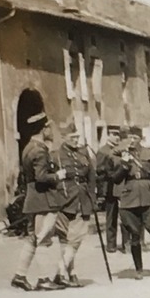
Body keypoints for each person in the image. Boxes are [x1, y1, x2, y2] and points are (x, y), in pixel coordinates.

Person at [10, 112, 68, 291]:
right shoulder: (40, 150)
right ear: (43, 129)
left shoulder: (28, 147)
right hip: (43, 201)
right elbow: (41, 176)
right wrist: (57, 176)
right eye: (49, 127)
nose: (52, 130)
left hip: (32, 199)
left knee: (32, 238)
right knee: (43, 239)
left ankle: (20, 275)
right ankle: (43, 279)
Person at [111, 126, 150, 281]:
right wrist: (124, 165)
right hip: (130, 197)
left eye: (135, 137)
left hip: (149, 195)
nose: (132, 140)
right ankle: (139, 269)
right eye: (129, 137)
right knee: (135, 235)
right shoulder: (120, 155)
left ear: (141, 139)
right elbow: (116, 179)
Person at [52, 120, 98, 287]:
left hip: (82, 199)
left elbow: (92, 177)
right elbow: (50, 179)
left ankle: (60, 270)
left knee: (77, 237)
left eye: (76, 136)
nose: (75, 140)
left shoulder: (83, 153)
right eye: (72, 137)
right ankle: (71, 273)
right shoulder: (55, 155)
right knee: (65, 238)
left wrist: (92, 198)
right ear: (63, 137)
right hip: (64, 200)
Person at [96, 125, 125, 253]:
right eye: (114, 134)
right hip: (110, 187)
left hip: (122, 186)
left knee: (125, 216)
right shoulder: (103, 151)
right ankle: (111, 244)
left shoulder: (122, 150)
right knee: (111, 216)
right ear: (108, 135)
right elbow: (99, 171)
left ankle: (126, 242)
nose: (117, 137)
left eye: (118, 135)